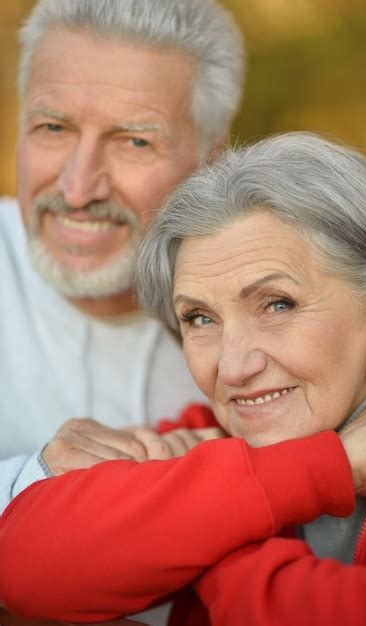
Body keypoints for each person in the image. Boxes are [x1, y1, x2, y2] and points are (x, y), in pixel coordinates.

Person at [1, 132, 366, 626]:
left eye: (277, 304)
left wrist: (204, 539)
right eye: (200, 318)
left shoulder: (200, 468)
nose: (234, 367)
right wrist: (333, 467)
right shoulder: (206, 438)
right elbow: (22, 564)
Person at [0, 0, 245, 516]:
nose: (77, 188)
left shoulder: (266, 331)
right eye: (53, 128)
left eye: (133, 140)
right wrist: (32, 483)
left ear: (211, 164)